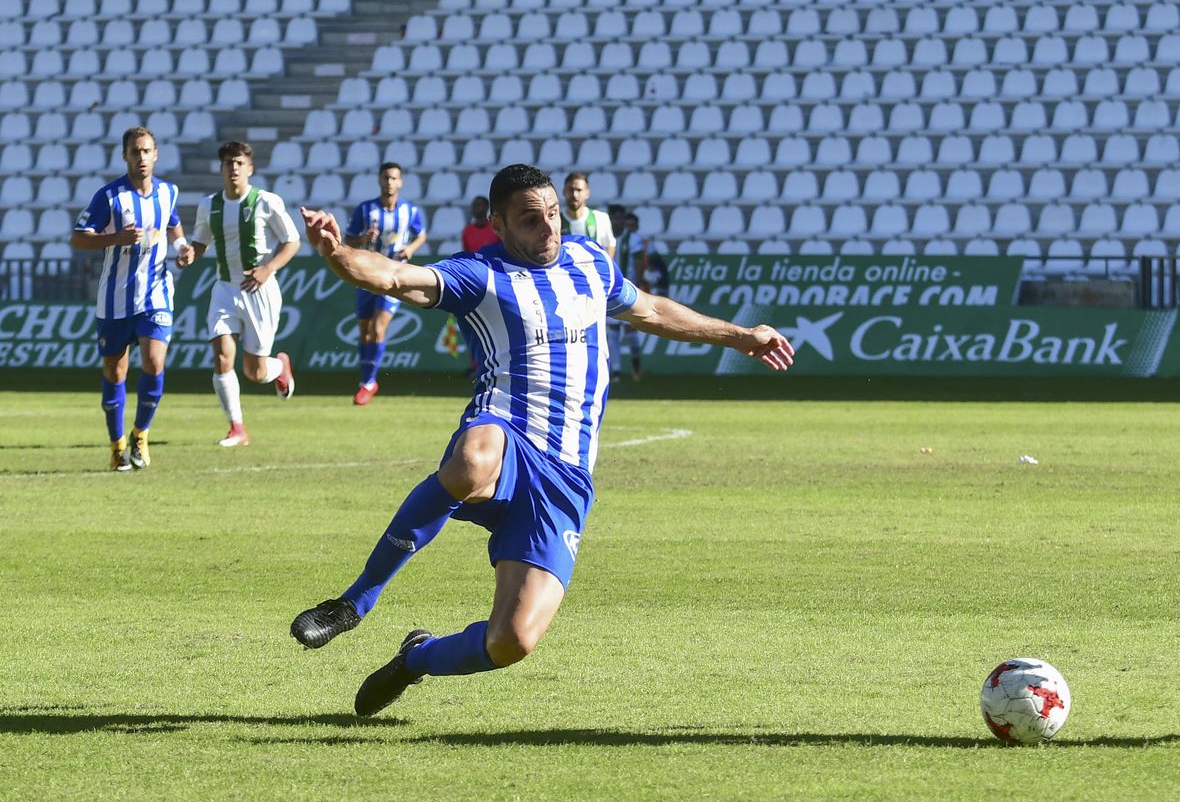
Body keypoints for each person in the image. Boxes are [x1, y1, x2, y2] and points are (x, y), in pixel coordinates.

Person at [288, 164, 795, 716]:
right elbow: (393, 277)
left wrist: (741, 337)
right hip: (506, 428)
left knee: (512, 641)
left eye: (552, 214)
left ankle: (415, 659)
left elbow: (649, 309)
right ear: (498, 224)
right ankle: (354, 603)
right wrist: (337, 254)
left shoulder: (588, 261)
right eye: (531, 220)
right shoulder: (478, 274)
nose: (548, 228)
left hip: (566, 473)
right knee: (471, 464)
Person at [70, 126, 195, 471]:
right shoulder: (110, 197)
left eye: (147, 151)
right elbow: (79, 239)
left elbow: (174, 226)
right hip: (115, 299)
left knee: (154, 362)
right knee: (115, 371)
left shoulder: (168, 192)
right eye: (135, 152)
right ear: (125, 156)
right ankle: (117, 446)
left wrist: (183, 248)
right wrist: (116, 238)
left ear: (156, 154)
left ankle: (141, 434)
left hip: (156, 293)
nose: (141, 157)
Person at [189, 141, 301, 446]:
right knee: (223, 357)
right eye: (228, 163)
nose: (234, 168)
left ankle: (280, 366)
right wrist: (191, 253)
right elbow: (201, 241)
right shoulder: (208, 205)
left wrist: (268, 269)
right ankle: (237, 428)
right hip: (225, 288)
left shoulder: (267, 202)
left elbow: (292, 241)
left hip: (259, 290)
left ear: (250, 169)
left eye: (239, 163)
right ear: (221, 169)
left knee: (255, 371)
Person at [346, 162, 427, 405]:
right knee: (364, 331)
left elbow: (420, 233)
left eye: (393, 178)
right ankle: (366, 379)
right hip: (366, 275)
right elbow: (349, 238)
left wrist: (410, 248)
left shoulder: (409, 211)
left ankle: (367, 383)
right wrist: (362, 238)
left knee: (377, 329)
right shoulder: (366, 210)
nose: (389, 182)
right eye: (386, 178)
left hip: (393, 276)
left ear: (400, 182)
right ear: (379, 181)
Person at [609, 210, 648, 381]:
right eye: (614, 218)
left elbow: (639, 263)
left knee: (631, 331)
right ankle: (616, 372)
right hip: (609, 293)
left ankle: (635, 366)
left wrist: (637, 285)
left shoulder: (633, 239)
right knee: (612, 333)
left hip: (629, 291)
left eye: (619, 218)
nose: (617, 222)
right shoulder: (605, 238)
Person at [561, 171, 614, 261]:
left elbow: (610, 245)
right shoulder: (555, 220)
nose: (574, 194)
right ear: (564, 192)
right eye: (571, 190)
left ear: (587, 193)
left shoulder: (601, 218)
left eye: (579, 190)